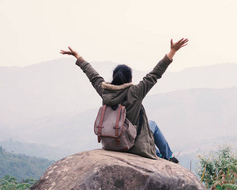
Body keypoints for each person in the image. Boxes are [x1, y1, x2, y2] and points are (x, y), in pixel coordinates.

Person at [60, 38, 188, 162]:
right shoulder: (135, 92)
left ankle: (161, 155)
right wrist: (172, 52)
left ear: (114, 77)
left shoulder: (105, 91)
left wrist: (78, 57)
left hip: (111, 142)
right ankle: (169, 157)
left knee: (148, 129)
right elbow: (154, 74)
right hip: (131, 145)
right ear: (130, 79)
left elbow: (93, 76)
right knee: (151, 124)